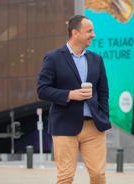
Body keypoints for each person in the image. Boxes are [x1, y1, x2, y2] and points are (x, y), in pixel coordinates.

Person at [37, 15, 111, 184]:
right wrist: (69, 95)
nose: (93, 35)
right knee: (65, 177)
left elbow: (103, 91)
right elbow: (42, 90)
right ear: (75, 33)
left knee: (99, 175)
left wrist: (103, 115)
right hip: (64, 126)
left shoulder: (96, 59)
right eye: (89, 31)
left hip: (94, 126)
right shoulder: (53, 58)